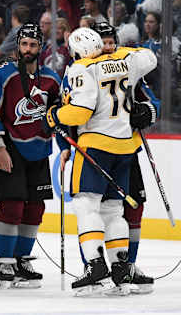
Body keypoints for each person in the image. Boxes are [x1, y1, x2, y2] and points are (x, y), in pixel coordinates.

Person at [43, 27, 157, 296]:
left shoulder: (81, 68)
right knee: (113, 210)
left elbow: (81, 112)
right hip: (125, 146)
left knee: (85, 205)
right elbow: (150, 57)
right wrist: (118, 51)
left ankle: (95, 265)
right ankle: (120, 268)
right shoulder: (125, 60)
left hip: (95, 146)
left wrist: (56, 115)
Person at [0, 23, 70, 289]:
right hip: (10, 148)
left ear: (41, 47)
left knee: (35, 208)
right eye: (24, 45)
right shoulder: (3, 74)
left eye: (33, 45)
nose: (28, 50)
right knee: (12, 206)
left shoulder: (52, 80)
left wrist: (64, 144)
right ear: (17, 46)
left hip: (40, 150)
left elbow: (58, 118)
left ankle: (22, 260)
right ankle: (5, 261)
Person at [93, 22, 158, 294]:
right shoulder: (84, 69)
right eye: (102, 43)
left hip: (127, 150)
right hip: (97, 152)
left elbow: (151, 101)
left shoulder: (127, 66)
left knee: (134, 205)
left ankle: (127, 264)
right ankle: (97, 265)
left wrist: (147, 111)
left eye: (110, 42)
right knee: (98, 210)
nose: (107, 47)